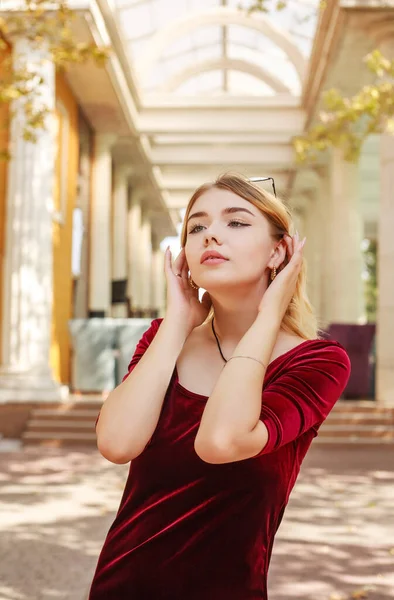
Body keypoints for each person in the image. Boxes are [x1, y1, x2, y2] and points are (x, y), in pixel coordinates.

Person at [88, 173, 351, 600]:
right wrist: (176, 323)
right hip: (119, 587)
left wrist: (269, 316)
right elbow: (116, 444)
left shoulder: (318, 361)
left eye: (236, 222)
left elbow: (221, 441)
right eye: (197, 227)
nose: (211, 235)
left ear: (278, 251)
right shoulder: (164, 339)